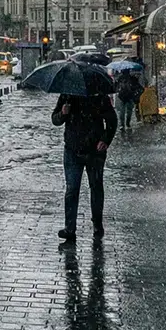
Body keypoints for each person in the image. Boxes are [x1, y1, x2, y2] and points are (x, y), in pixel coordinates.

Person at [52, 93, 117, 241]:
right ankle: (70, 227)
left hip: (95, 151)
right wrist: (63, 113)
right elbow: (55, 120)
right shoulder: (67, 95)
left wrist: (106, 139)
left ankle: (97, 223)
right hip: (72, 150)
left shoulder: (99, 95)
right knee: (72, 189)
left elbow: (112, 120)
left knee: (96, 187)